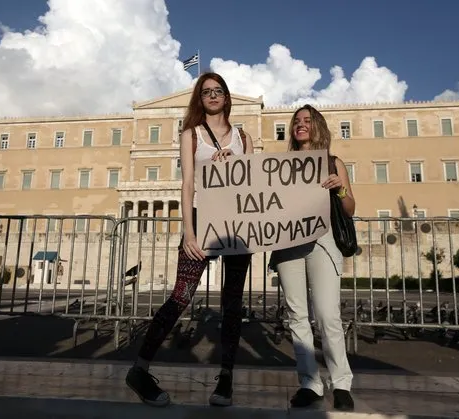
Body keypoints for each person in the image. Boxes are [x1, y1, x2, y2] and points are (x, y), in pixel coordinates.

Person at [125, 72, 254, 408]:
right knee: (180, 296)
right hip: (202, 217)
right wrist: (189, 233)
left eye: (218, 90)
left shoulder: (243, 136)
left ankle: (225, 378)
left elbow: (253, 184)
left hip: (237, 222)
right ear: (200, 98)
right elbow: (186, 184)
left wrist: (234, 167)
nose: (212, 95)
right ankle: (140, 369)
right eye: (206, 91)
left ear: (227, 97)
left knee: (232, 303)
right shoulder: (191, 134)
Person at [269, 104, 355, 411]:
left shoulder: (333, 162)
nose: (300, 125)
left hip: (323, 240)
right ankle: (310, 383)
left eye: (306, 121)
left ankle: (341, 382)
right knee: (296, 316)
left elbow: (350, 209)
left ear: (317, 126)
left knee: (327, 315)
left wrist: (340, 189)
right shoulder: (280, 166)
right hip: (288, 242)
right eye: (296, 122)